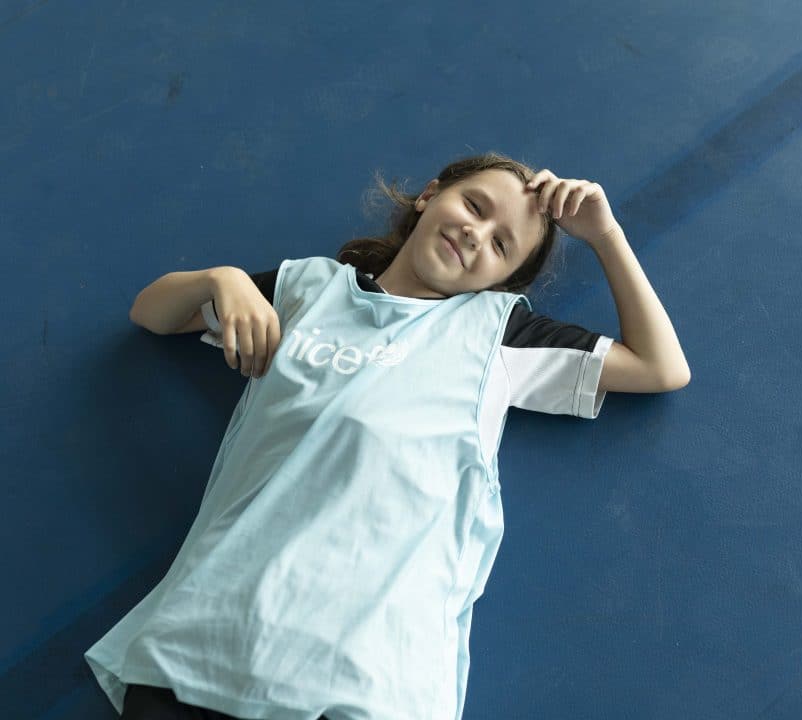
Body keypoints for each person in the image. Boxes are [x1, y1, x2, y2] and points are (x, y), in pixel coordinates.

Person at [85, 152, 690, 720]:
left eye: (502, 244)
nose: (478, 234)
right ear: (430, 196)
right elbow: (151, 312)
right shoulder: (307, 290)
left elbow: (661, 368)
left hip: (363, 678)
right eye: (476, 207)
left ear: (504, 281)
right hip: (204, 646)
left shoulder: (498, 336)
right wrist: (222, 280)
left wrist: (606, 237)